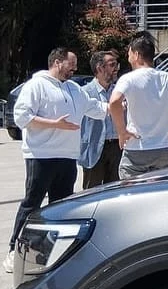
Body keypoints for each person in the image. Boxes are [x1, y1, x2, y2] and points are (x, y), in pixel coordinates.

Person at [6, 48, 106, 272]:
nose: (74, 69)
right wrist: (54, 124)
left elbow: (95, 108)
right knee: (32, 203)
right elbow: (21, 117)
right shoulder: (36, 85)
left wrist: (119, 105)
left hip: (68, 157)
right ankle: (14, 249)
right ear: (58, 62)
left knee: (62, 207)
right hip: (41, 155)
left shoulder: (74, 89)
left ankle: (53, 252)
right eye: (71, 64)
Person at [110, 33, 168, 179]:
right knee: (160, 189)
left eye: (129, 54)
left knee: (131, 189)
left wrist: (122, 131)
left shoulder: (128, 79)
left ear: (136, 54)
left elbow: (114, 102)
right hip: (162, 147)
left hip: (137, 147)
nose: (128, 58)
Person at [78, 50, 123, 190]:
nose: (116, 69)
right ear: (100, 68)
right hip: (93, 147)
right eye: (112, 65)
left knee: (115, 191)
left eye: (117, 65)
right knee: (92, 192)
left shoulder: (120, 91)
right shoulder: (84, 92)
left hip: (117, 147)